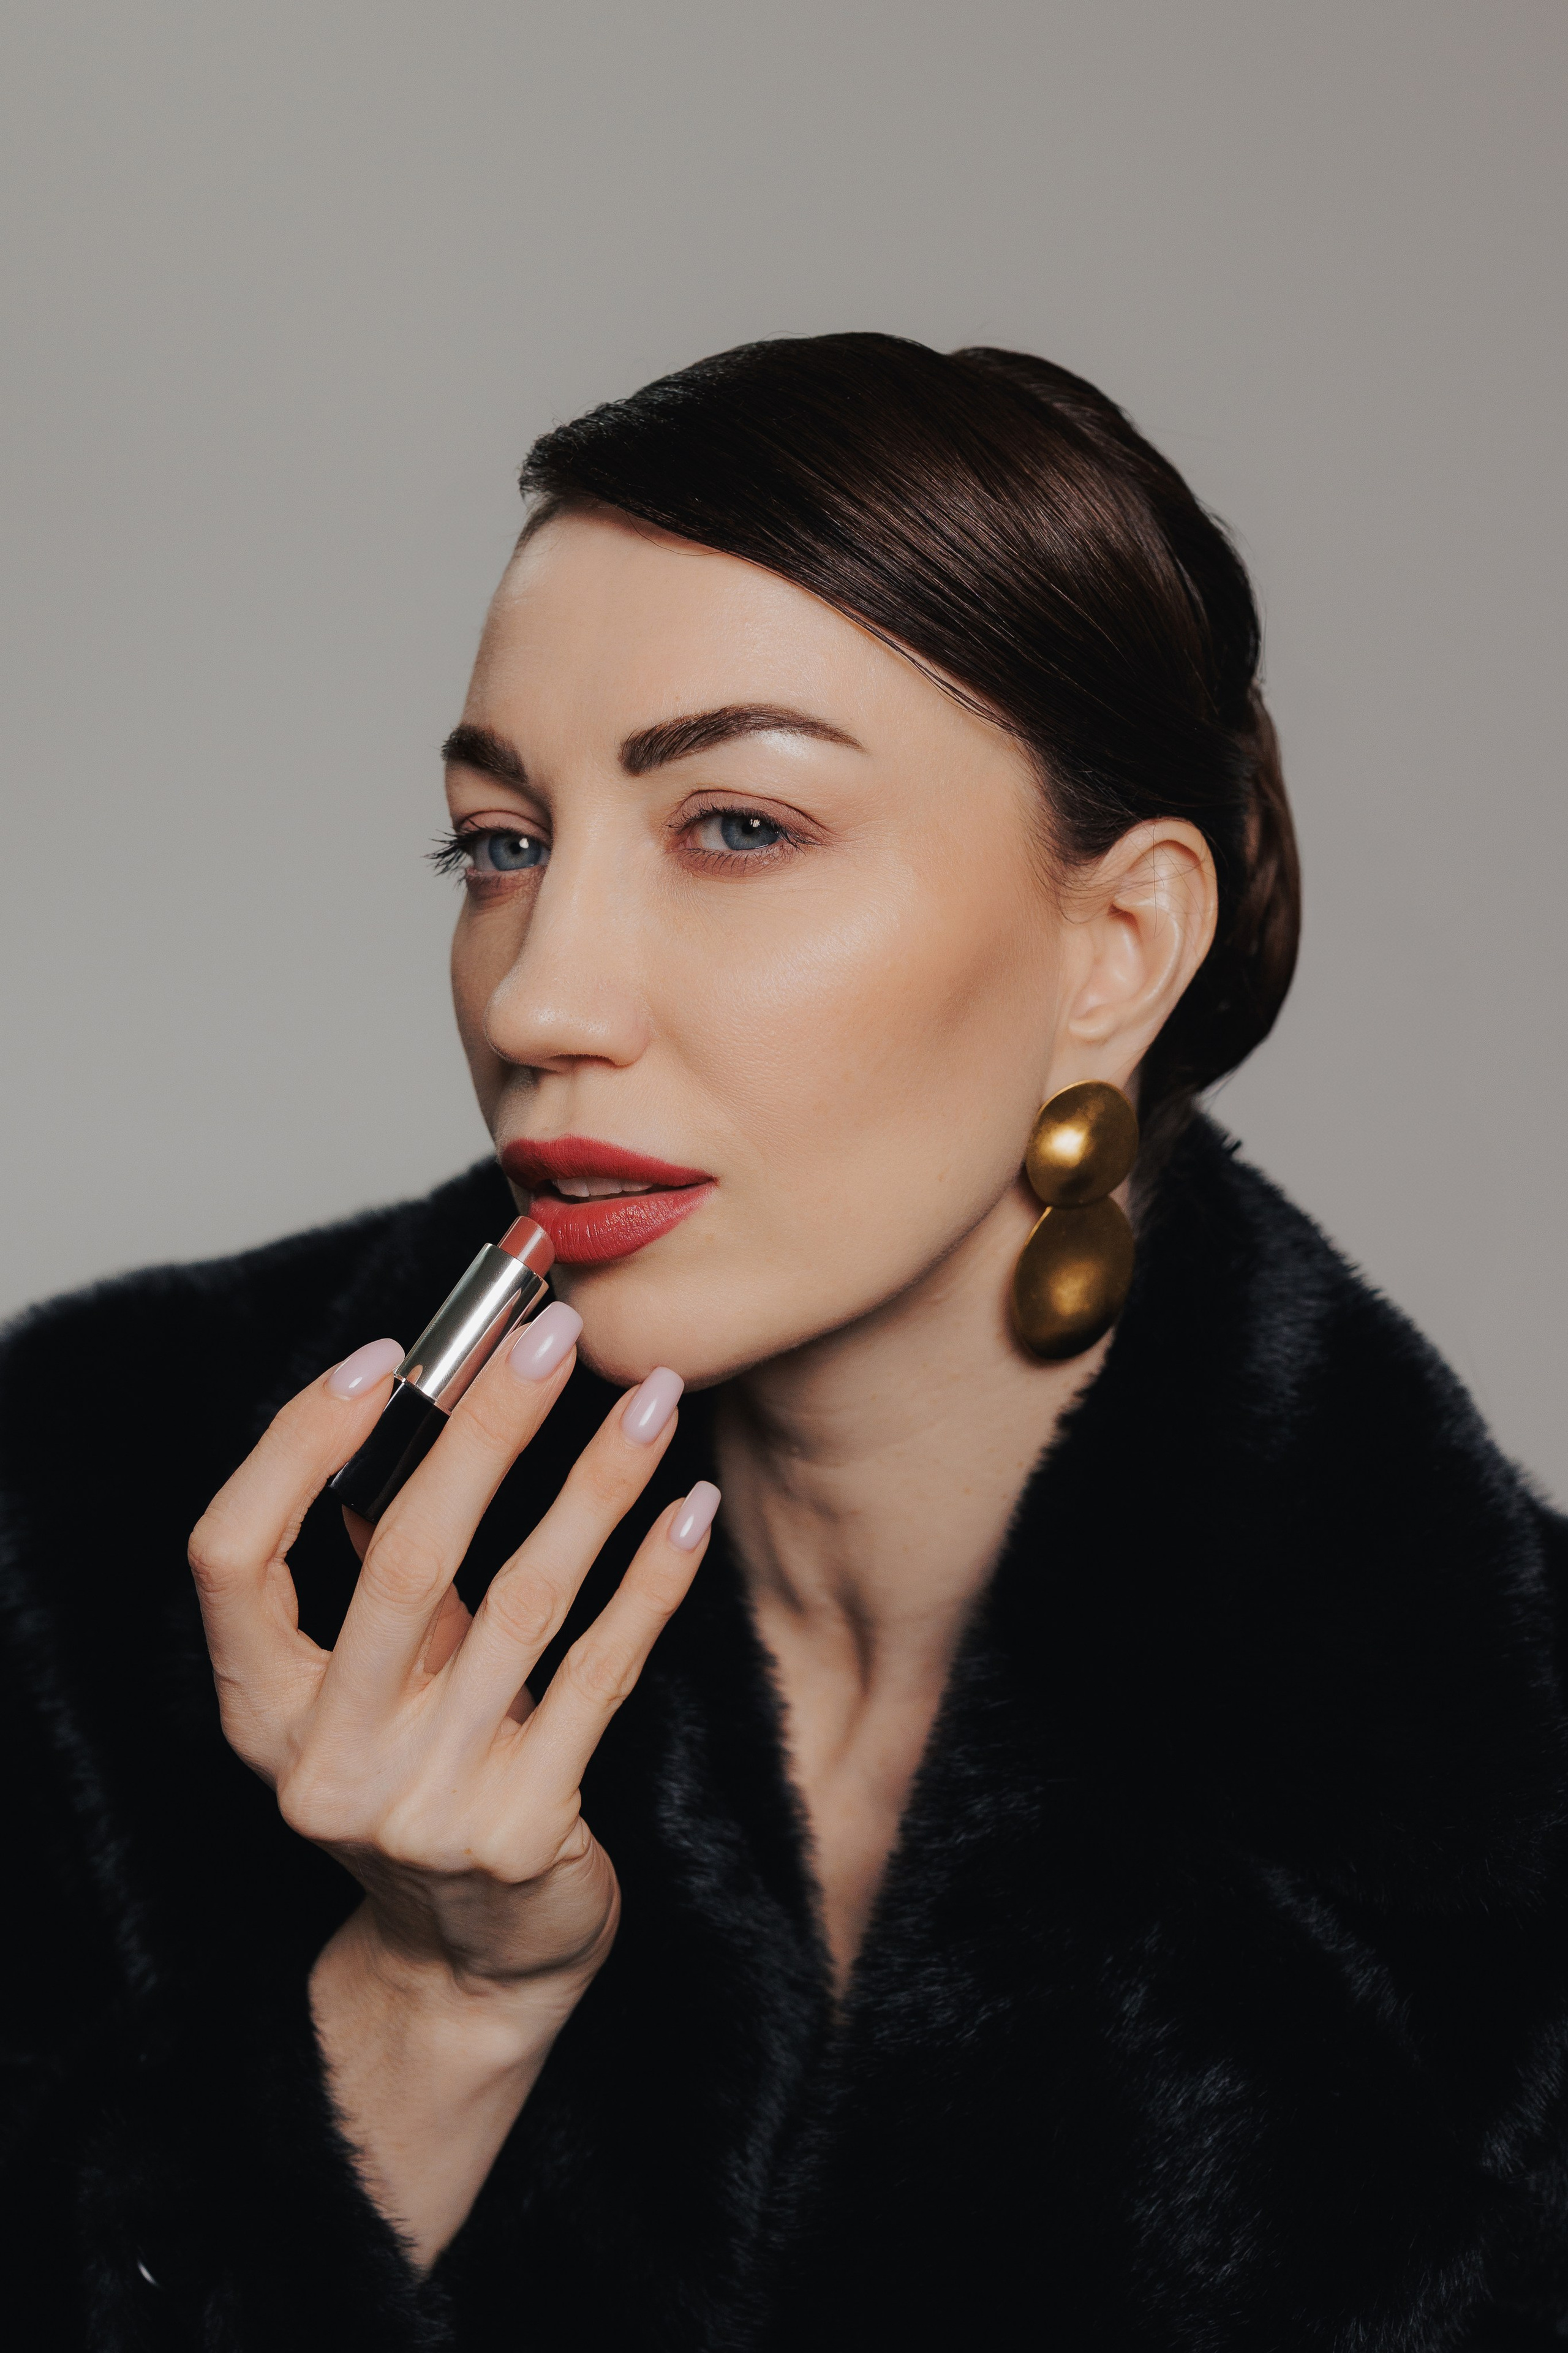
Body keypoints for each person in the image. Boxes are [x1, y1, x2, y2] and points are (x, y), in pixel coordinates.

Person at [3, 333, 1566, 2351]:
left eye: (736, 827)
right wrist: (427, 2001)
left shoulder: (1504, 1794)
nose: (543, 994)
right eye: (499, 843)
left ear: (1120, 948)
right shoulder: (87, 1519)